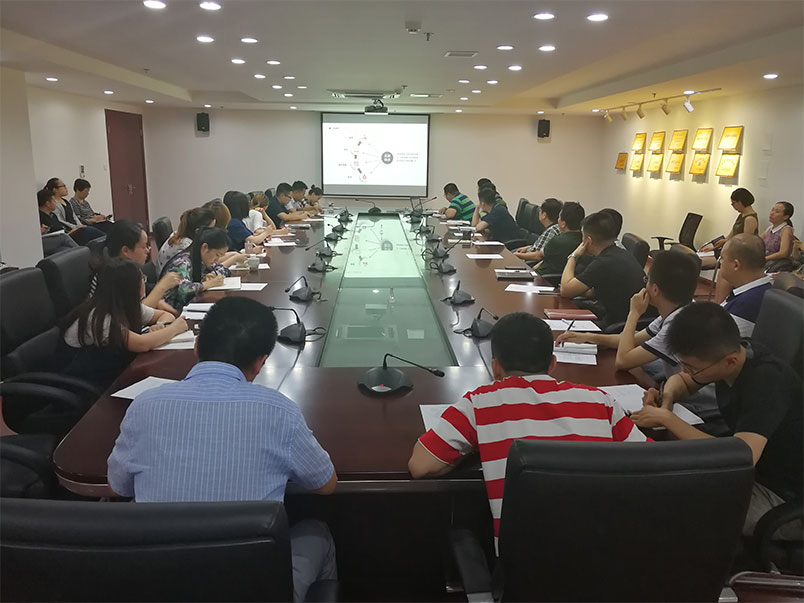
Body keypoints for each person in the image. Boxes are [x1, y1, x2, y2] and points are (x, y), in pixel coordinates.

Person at [107, 297, 338, 601]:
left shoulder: (144, 406)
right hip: (251, 590)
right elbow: (326, 484)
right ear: (261, 362)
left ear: (196, 346)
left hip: (161, 585)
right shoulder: (280, 411)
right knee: (318, 533)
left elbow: (119, 486)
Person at [408, 312, 647, 546]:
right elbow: (649, 466)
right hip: (604, 557)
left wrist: (475, 445)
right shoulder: (601, 402)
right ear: (552, 364)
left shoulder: (479, 404)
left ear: (495, 368)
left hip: (523, 567)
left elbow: (420, 466)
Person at [630, 302, 802, 539]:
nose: (686, 371)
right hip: (754, 472)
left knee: (670, 502)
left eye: (692, 368)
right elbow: (683, 382)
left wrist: (668, 419)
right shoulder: (734, 353)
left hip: (784, 498)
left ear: (730, 361)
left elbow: (741, 455)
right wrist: (666, 400)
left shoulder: (768, 382)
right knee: (661, 477)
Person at [557, 250, 699, 377]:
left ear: (655, 290)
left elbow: (623, 361)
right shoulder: (679, 310)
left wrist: (634, 313)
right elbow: (635, 340)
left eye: (647, 280)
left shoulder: (677, 326)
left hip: (686, 397)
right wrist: (588, 337)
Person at [60, 258, 188, 388]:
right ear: (129, 288)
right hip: (85, 382)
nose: (144, 283)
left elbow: (165, 315)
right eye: (142, 279)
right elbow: (141, 344)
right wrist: (174, 328)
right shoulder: (98, 316)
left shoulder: (125, 305)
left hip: (112, 371)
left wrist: (160, 325)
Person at [560, 210, 646, 325]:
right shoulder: (621, 253)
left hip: (620, 324)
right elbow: (598, 290)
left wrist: (573, 256)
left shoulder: (603, 262)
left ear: (588, 241)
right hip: (625, 315)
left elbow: (565, 290)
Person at [97, 220, 180, 316]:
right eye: (144, 247)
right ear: (125, 251)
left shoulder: (132, 269)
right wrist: (162, 286)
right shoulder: (112, 277)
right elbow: (134, 314)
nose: (148, 251)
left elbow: (144, 301)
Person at [700, 188, 758, 302]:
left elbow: (745, 241)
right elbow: (730, 236)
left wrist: (726, 249)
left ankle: (719, 302)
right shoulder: (742, 215)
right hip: (731, 249)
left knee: (718, 270)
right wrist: (715, 247)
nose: (733, 206)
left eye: (733, 203)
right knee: (696, 259)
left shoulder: (750, 219)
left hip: (738, 253)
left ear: (740, 202)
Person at [162, 226, 240, 311]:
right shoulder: (183, 262)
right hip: (170, 311)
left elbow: (222, 268)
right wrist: (208, 284)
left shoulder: (201, 259)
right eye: (217, 255)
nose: (217, 259)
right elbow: (184, 290)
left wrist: (213, 275)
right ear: (205, 247)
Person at [719, 234, 773, 337]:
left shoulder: (746, 304)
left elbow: (716, 341)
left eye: (722, 258)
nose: (721, 262)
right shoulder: (759, 289)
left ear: (736, 265)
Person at [533, 201, 585, 282]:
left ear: (563, 224)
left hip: (542, 279)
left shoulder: (557, 240)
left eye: (559, 218)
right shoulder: (583, 241)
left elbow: (539, 255)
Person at [44, 177, 105, 244]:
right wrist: (75, 227)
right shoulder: (54, 204)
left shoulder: (66, 202)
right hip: (70, 231)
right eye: (63, 186)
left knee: (105, 225)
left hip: (77, 228)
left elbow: (74, 216)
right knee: (91, 231)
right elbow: (60, 220)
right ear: (55, 189)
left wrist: (80, 225)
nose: (66, 188)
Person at [156, 206, 217, 272]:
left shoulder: (178, 234)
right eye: (211, 229)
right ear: (198, 231)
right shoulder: (186, 246)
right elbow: (205, 267)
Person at [37, 188, 80, 255]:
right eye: (54, 201)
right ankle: (83, 253)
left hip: (60, 239)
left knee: (66, 250)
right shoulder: (38, 217)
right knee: (64, 237)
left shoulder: (53, 215)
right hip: (47, 241)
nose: (56, 203)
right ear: (47, 204)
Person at [760, 201, 795, 269]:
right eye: (772, 210)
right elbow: (757, 241)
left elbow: (783, 253)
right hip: (766, 261)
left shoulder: (786, 230)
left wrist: (764, 258)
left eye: (777, 212)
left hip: (776, 265)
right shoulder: (770, 229)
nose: (772, 213)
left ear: (785, 217)